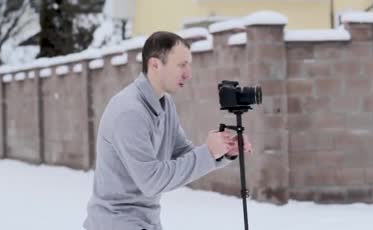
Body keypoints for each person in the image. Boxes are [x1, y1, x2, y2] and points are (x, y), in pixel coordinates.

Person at [83, 31, 252, 230]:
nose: (188, 73)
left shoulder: (164, 103)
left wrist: (223, 151)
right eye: (181, 65)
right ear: (155, 65)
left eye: (189, 64)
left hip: (146, 222)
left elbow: (183, 154)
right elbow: (151, 181)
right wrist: (208, 152)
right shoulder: (129, 112)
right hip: (116, 223)